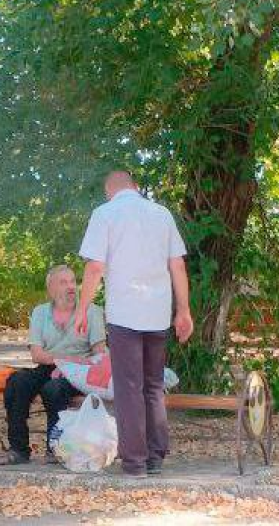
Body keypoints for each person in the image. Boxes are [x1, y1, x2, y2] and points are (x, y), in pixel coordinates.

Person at [75, 171, 193, 478]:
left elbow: (95, 267)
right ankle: (155, 457)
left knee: (129, 387)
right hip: (157, 313)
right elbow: (177, 264)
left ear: (108, 192)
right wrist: (184, 311)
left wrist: (82, 309)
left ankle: (135, 462)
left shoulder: (105, 213)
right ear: (136, 188)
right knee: (153, 385)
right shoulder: (161, 213)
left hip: (125, 314)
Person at [0, 265, 106, 465]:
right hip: (48, 366)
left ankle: (55, 448)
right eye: (63, 282)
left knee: (52, 389)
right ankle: (18, 450)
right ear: (51, 288)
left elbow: (99, 356)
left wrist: (70, 365)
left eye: (73, 281)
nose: (71, 287)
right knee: (16, 381)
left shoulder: (92, 312)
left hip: (78, 372)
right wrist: (61, 360)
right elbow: (37, 355)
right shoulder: (40, 313)